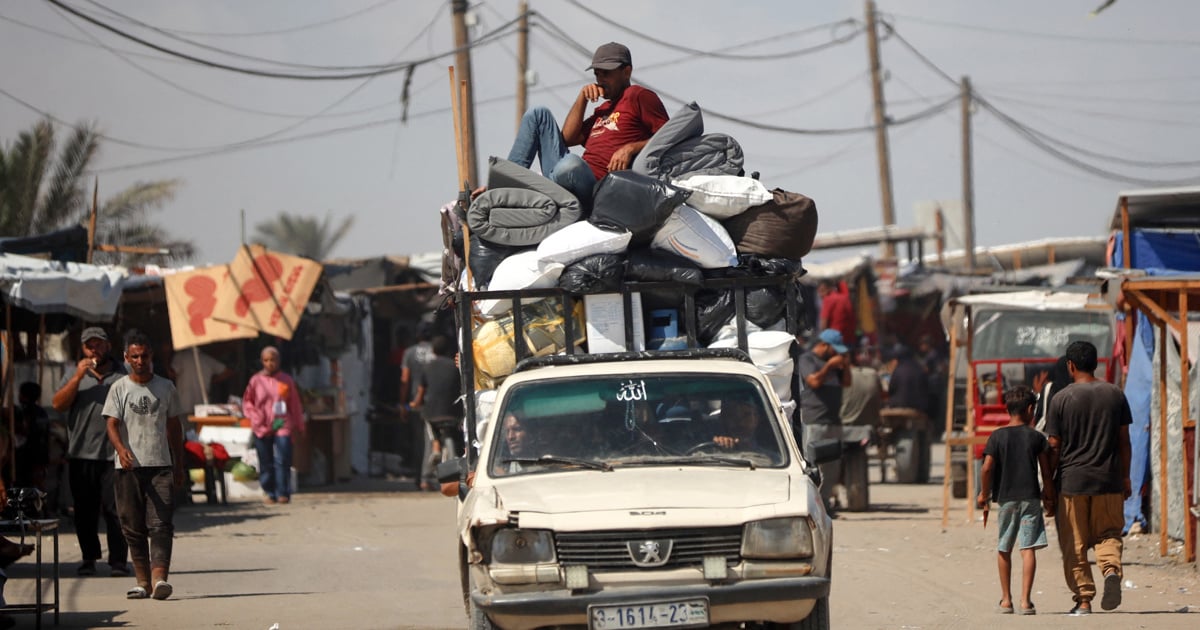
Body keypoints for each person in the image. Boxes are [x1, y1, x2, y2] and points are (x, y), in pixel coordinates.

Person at [506, 41, 669, 206]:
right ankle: (504, 185)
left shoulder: (638, 95)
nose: (600, 80)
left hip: (596, 187)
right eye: (597, 74)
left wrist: (630, 148)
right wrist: (582, 98)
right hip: (565, 175)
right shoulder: (602, 109)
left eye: (606, 74)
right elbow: (568, 139)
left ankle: (545, 187)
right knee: (538, 113)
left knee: (572, 164)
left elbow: (670, 135)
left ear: (626, 72)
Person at [1044, 340, 1132, 616]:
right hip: (1109, 481)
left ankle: (1083, 600)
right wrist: (1126, 478)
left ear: (1070, 366)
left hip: (1072, 483)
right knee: (1109, 534)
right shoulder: (1115, 394)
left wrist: (1048, 484)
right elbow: (1124, 441)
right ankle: (1110, 570)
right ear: (1096, 363)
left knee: (1075, 543)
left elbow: (1054, 446)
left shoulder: (1061, 398)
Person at [102, 331, 186, 601]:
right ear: (126, 358)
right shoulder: (119, 388)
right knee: (132, 525)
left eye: (144, 355)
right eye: (134, 356)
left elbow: (174, 427)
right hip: (127, 468)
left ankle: (159, 578)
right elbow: (111, 424)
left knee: (161, 524)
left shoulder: (166, 387)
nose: (140, 360)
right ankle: (142, 581)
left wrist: (179, 464)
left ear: (151, 357)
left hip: (160, 465)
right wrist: (121, 449)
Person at [51, 326, 130, 577]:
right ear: (83, 349)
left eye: (99, 344)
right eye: (89, 346)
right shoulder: (74, 374)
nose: (94, 349)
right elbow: (58, 405)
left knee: (116, 510)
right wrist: (76, 378)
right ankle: (89, 558)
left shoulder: (123, 373)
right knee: (84, 511)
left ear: (108, 346)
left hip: (114, 454)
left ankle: (118, 561)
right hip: (81, 454)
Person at [977, 386, 1056, 616]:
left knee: (1004, 547)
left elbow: (987, 468)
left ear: (1007, 409)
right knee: (1028, 548)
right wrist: (1049, 495)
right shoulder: (1036, 437)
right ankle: (1025, 602)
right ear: (1031, 409)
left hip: (1006, 499)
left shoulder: (997, 436)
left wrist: (984, 494)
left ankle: (1006, 600)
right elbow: (1046, 469)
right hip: (1030, 498)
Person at [793, 328, 852, 512]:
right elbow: (813, 382)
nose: (836, 354)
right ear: (824, 345)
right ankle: (813, 504)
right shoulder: (807, 360)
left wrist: (846, 366)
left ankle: (825, 503)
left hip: (833, 420)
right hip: (815, 420)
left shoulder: (834, 364)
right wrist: (828, 367)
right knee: (814, 465)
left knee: (832, 467)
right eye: (834, 350)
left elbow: (847, 383)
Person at [242, 347, 306, 505]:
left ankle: (283, 492)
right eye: (266, 360)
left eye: (273, 360)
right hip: (261, 424)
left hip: (281, 422)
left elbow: (294, 404)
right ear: (262, 361)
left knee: (283, 457)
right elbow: (247, 401)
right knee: (265, 460)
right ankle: (269, 492)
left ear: (279, 361)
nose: (270, 363)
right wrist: (253, 416)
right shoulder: (255, 381)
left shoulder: (286, 380)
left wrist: (299, 426)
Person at [411, 336, 463, 490]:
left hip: (432, 413)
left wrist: (414, 404)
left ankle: (425, 479)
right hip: (454, 412)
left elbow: (420, 393)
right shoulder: (455, 367)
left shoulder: (427, 367)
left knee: (429, 437)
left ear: (433, 350)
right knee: (458, 437)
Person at [399, 322, 435, 490]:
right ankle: (426, 477)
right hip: (435, 401)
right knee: (432, 440)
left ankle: (419, 476)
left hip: (416, 402)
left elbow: (405, 379)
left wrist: (402, 402)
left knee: (418, 440)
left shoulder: (409, 352)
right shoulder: (436, 351)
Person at [167, 346, 234, 420]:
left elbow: (171, 374)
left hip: (184, 404)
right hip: (202, 404)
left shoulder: (181, 357)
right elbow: (228, 372)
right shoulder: (206, 359)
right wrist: (213, 380)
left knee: (185, 428)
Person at [817, 280, 856, 351]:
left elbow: (823, 322)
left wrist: (823, 339)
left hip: (834, 340)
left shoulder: (828, 299)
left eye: (822, 291)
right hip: (849, 337)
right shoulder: (845, 298)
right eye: (819, 292)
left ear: (829, 289)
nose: (820, 295)